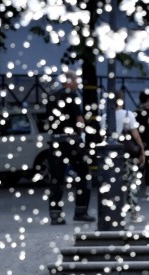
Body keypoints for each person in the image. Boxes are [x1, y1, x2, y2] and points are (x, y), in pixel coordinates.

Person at [46, 70, 95, 225]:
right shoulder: (72, 95)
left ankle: (55, 215)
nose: (78, 84)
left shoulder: (52, 96)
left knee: (56, 178)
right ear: (69, 81)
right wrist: (81, 132)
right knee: (84, 173)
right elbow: (79, 119)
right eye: (76, 81)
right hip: (71, 140)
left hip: (55, 141)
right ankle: (81, 211)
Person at [115, 91, 147, 221]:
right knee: (132, 181)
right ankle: (133, 212)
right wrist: (142, 151)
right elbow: (136, 135)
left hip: (112, 154)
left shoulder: (106, 116)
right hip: (128, 152)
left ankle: (115, 211)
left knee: (115, 182)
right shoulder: (128, 114)